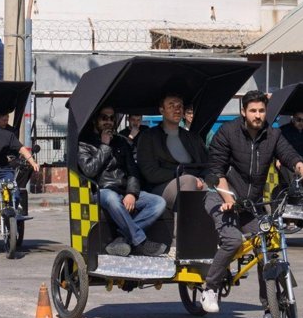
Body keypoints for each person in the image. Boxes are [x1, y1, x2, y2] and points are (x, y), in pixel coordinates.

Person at [202, 90, 303, 314]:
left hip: (250, 204)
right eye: (253, 111)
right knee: (232, 240)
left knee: (267, 242)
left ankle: (270, 305)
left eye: (261, 110)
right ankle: (210, 287)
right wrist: (229, 200)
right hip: (222, 196)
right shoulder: (228, 132)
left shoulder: (273, 135)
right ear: (243, 112)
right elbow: (217, 169)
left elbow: (292, 159)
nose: (258, 115)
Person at [78, 106, 167, 257]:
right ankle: (141, 242)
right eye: (104, 118)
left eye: (112, 118)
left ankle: (123, 239)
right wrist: (104, 146)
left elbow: (133, 171)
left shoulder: (121, 141)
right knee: (112, 198)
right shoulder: (84, 143)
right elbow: (89, 170)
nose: (109, 122)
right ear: (95, 120)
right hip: (101, 191)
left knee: (158, 202)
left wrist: (132, 193)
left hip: (123, 190)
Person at [138, 92, 208, 212]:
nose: (177, 109)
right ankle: (184, 228)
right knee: (189, 181)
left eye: (180, 106)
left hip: (195, 181)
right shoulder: (148, 137)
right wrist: (182, 175)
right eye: (171, 106)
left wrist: (202, 178)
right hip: (161, 186)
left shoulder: (193, 138)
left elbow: (207, 163)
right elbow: (150, 172)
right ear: (162, 110)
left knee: (217, 190)